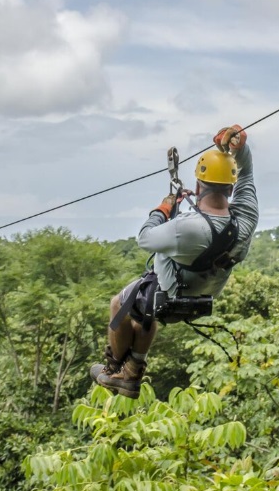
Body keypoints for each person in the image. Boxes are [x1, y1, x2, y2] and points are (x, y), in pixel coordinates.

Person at [90, 124, 259, 399]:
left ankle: (114, 372)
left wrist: (164, 209)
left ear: (197, 185)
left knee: (119, 304)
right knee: (143, 312)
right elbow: (247, 173)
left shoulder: (186, 229)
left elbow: (145, 238)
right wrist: (239, 148)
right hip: (206, 291)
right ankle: (132, 371)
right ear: (231, 187)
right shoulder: (246, 219)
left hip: (173, 290)